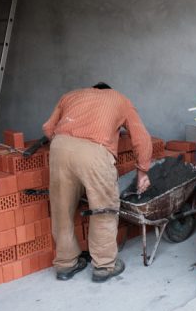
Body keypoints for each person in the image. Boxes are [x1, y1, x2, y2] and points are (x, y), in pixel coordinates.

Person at [42, 82, 152, 283]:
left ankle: (65, 265)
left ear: (93, 89)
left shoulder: (71, 95)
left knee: (61, 210)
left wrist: (68, 147)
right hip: (95, 151)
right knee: (103, 209)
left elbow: (48, 128)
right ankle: (103, 266)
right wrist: (142, 171)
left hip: (59, 148)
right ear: (109, 90)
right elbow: (141, 137)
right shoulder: (120, 99)